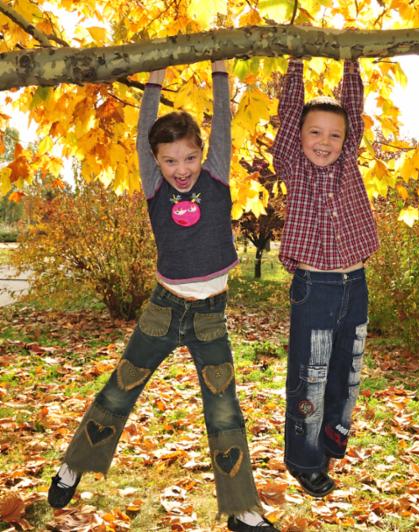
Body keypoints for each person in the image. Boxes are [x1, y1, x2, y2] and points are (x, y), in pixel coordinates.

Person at [47, 61, 277, 532]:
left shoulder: (215, 177)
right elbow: (139, 138)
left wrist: (220, 74)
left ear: (202, 155)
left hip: (211, 317)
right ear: (157, 162)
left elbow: (224, 122)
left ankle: (241, 509)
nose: (181, 169)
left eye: (189, 158)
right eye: (170, 160)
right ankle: (73, 465)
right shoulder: (154, 186)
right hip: (162, 310)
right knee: (120, 389)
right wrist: (153, 79)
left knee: (224, 407)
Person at [272, 57, 378, 498]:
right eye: (314, 132)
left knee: (346, 368)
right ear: (297, 137)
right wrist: (295, 61)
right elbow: (289, 109)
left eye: (335, 135)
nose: (325, 141)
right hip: (315, 288)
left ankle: (334, 430)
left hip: (355, 283)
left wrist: (349, 61)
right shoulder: (293, 166)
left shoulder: (348, 161)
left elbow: (352, 106)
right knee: (310, 373)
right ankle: (305, 459)